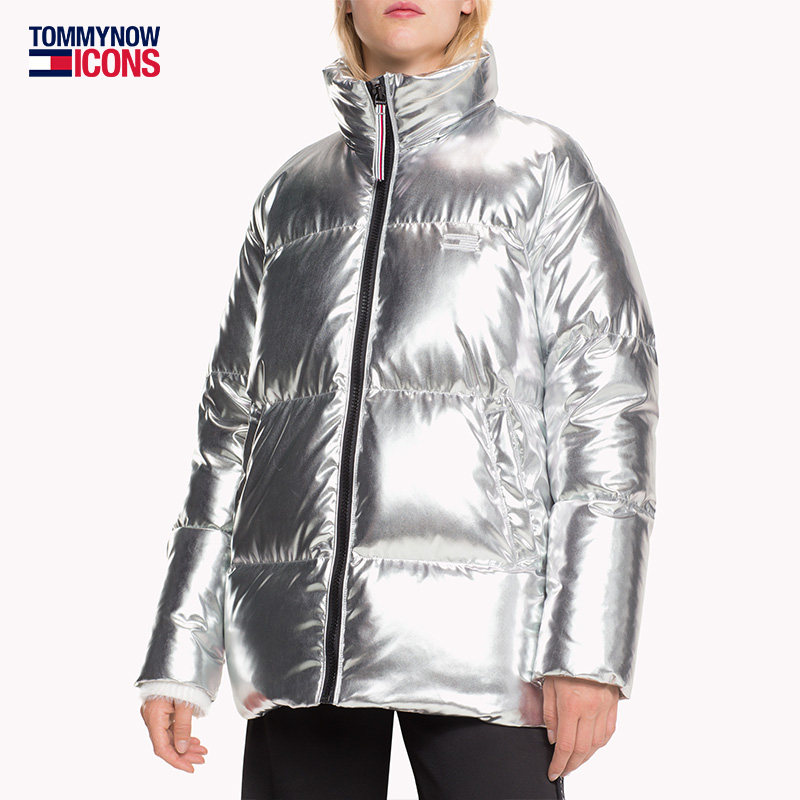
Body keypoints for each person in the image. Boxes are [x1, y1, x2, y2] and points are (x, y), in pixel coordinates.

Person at [135, 1, 659, 798]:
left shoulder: (542, 170)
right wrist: (180, 654)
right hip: (299, 643)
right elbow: (229, 435)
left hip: (487, 645)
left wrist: (588, 651)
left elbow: (606, 414)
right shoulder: (291, 197)